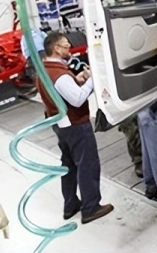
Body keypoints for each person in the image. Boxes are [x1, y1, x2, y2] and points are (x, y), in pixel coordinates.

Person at [37, 31, 114, 224]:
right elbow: (77, 99)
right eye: (66, 46)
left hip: (60, 124)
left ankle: (70, 205)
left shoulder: (45, 69)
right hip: (75, 124)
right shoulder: (59, 75)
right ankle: (91, 207)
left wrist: (77, 80)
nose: (69, 48)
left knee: (69, 165)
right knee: (87, 164)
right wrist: (93, 80)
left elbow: (62, 91)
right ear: (56, 48)